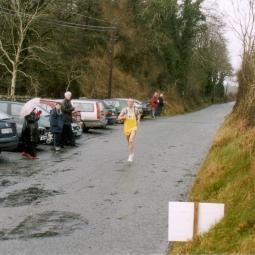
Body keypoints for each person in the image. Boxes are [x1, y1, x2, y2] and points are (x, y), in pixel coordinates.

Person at [118, 98, 141, 162]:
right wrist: (123, 117)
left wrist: (138, 120)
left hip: (133, 127)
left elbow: (139, 114)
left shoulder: (135, 109)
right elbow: (118, 118)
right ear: (127, 103)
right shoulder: (124, 110)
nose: (130, 103)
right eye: (129, 102)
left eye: (132, 102)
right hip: (126, 128)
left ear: (133, 103)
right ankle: (132, 150)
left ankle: (130, 155)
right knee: (129, 142)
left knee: (131, 141)